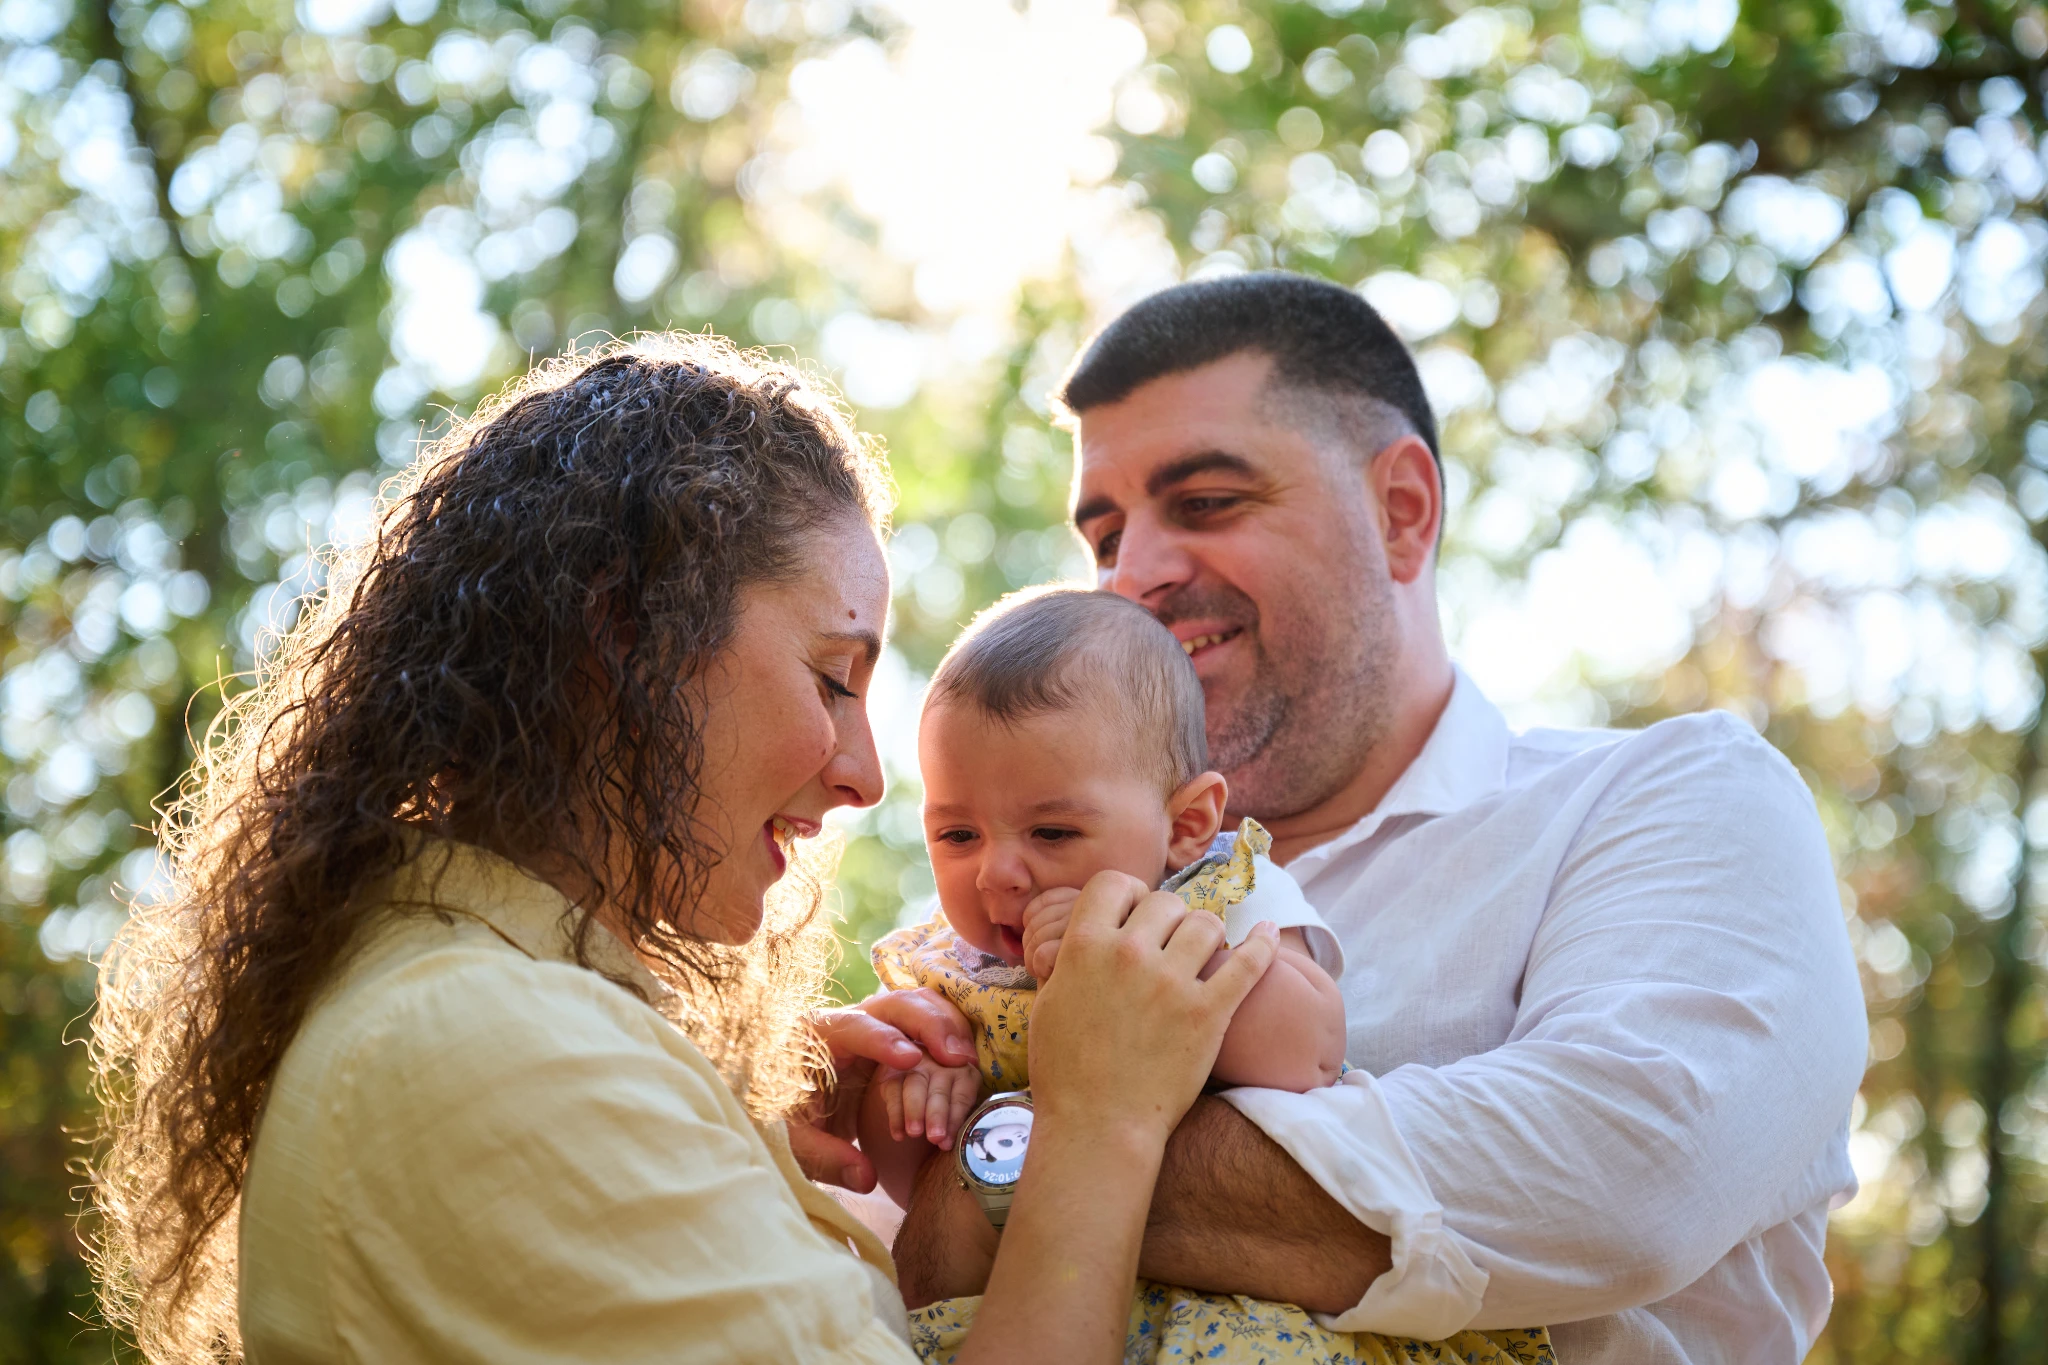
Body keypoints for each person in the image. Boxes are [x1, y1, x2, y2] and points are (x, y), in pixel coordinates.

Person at [86, 334, 1278, 1365]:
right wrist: (1099, 1118)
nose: (864, 776)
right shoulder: (488, 1045)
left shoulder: (508, 1020)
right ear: (626, 637)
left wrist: (729, 1125)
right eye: (830, 677)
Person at [892, 273, 1868, 1363]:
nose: (1137, 576)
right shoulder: (1024, 893)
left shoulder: (1664, 799)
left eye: (1206, 502)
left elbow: (1624, 1174)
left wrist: (994, 1162)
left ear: (1400, 511)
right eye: (1106, 535)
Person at [860, 586, 1551, 1364]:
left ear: (1187, 825)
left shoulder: (1215, 901)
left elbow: (1310, 1053)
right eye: (957, 833)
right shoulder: (952, 974)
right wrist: (921, 1087)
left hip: (1246, 1312)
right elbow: (908, 1190)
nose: (998, 873)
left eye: (1052, 830)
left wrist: (1173, 970)